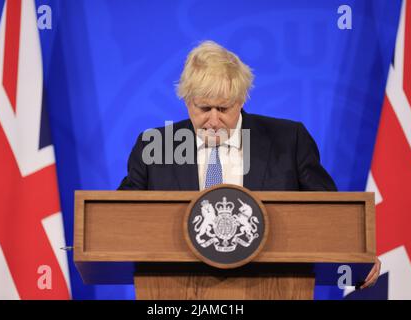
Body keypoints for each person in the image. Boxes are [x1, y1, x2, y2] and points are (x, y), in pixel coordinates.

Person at [118, 40, 380, 289]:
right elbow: (122, 218)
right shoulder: (157, 145)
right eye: (204, 108)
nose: (213, 120)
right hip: (177, 290)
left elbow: (328, 213)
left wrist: (356, 253)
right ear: (187, 102)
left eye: (223, 109)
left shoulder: (289, 140)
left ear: (241, 100)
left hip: (274, 288)